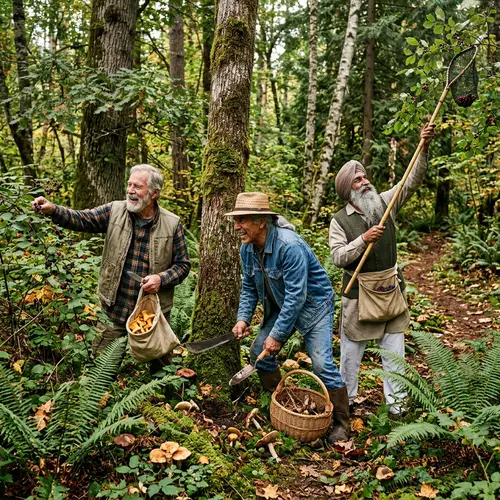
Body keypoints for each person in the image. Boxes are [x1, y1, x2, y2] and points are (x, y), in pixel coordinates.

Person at [32, 164, 191, 360]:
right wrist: (53, 210)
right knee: (101, 367)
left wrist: (161, 279)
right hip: (114, 307)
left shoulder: (172, 223)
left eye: (138, 187)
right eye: (129, 184)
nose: (130, 190)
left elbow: (183, 265)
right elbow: (84, 219)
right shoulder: (115, 211)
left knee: (163, 370)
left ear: (154, 193)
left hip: (152, 314)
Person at [329, 124, 435, 415]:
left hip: (391, 290)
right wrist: (363, 240)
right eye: (356, 179)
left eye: (364, 176)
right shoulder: (339, 221)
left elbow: (411, 180)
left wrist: (423, 147)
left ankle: (397, 412)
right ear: (347, 190)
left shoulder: (385, 203)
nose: (364, 181)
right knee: (351, 356)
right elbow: (338, 257)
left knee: (394, 355)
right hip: (358, 297)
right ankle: (344, 410)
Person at [226, 192, 349, 442]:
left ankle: (342, 424)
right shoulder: (247, 249)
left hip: (314, 307)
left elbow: (297, 297)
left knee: (322, 363)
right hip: (282, 307)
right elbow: (249, 287)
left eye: (242, 220)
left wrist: (278, 336)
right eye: (236, 220)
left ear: (261, 221)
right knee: (258, 352)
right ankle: (281, 399)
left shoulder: (289, 246)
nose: (237, 226)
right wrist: (243, 319)